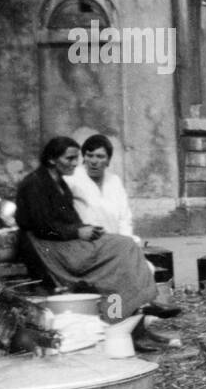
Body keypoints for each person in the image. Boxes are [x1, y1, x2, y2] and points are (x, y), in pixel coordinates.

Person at [15, 137, 178, 336]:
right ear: (51, 159)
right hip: (49, 248)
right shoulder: (39, 183)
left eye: (99, 156)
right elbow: (41, 225)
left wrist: (86, 229)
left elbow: (119, 217)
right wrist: (78, 231)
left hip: (80, 240)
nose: (78, 163)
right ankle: (130, 313)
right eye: (73, 158)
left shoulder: (69, 181)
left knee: (124, 252)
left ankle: (126, 318)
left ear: (109, 160)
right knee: (123, 251)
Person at [65, 134, 136, 240]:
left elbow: (125, 218)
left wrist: (125, 241)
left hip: (115, 242)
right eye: (90, 155)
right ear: (84, 157)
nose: (94, 161)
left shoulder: (114, 181)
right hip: (85, 243)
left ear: (108, 160)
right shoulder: (72, 179)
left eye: (100, 156)